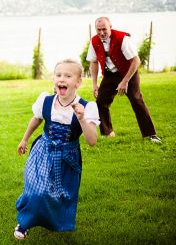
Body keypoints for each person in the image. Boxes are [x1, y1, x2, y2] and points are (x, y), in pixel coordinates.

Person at [14, 59, 99, 240]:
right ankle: (25, 223)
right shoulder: (46, 100)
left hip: (67, 157)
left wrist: (82, 118)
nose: (62, 79)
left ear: (78, 82)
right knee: (36, 189)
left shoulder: (87, 107)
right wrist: (24, 139)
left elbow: (92, 141)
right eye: (58, 75)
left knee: (57, 194)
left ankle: (52, 220)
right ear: (54, 79)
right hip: (43, 151)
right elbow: (36, 119)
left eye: (68, 76)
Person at [87, 17, 160, 142]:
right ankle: (107, 133)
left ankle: (150, 135)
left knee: (137, 100)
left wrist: (125, 81)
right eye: (98, 30)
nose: (101, 33)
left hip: (129, 72)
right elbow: (93, 62)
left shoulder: (122, 38)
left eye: (104, 29)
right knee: (100, 101)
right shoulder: (94, 41)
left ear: (110, 27)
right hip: (110, 74)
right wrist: (94, 84)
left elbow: (136, 60)